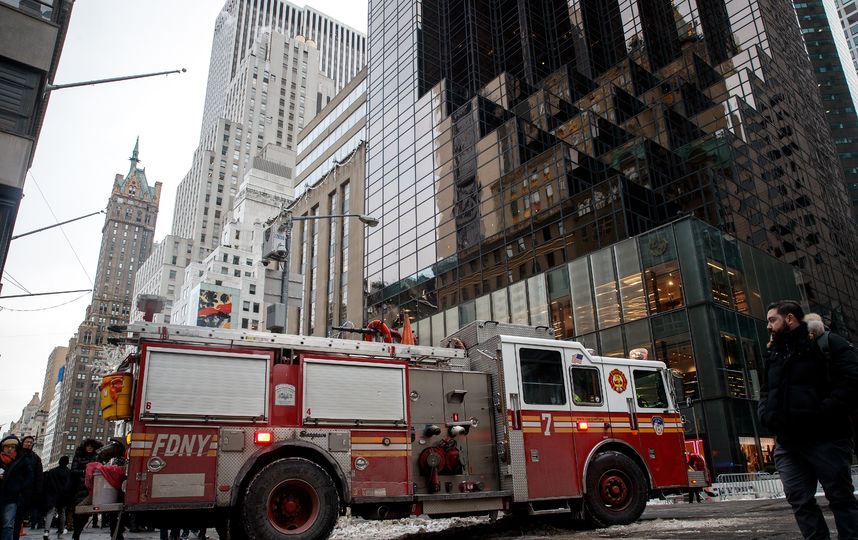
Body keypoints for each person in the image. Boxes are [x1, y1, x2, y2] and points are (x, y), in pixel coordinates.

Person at [759, 300, 858, 539]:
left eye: (773, 320)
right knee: (799, 500)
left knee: (840, 498)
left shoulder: (829, 343)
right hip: (788, 443)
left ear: (790, 318)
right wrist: (766, 415)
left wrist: (820, 413)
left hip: (826, 437)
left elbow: (851, 383)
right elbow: (766, 390)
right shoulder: (774, 352)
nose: (769, 326)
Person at [1, 436, 37, 540]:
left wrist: (18, 488)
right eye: (7, 446)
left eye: (12, 447)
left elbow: (29, 477)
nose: (10, 449)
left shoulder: (22, 460)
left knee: (8, 524)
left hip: (12, 497)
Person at [69, 440, 101, 540]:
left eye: (92, 446)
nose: (90, 448)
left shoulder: (96, 457)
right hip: (79, 488)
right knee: (78, 512)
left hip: (91, 488)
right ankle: (76, 532)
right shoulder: (79, 456)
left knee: (86, 514)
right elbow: (73, 470)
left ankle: (77, 532)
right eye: (88, 446)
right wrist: (84, 472)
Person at [15, 436, 43, 538]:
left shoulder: (35, 458)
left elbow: (39, 477)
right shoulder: (16, 454)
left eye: (31, 442)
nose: (29, 444)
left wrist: (37, 492)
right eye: (27, 442)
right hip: (14, 490)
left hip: (27, 492)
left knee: (19, 517)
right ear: (22, 443)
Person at [42, 456, 72, 538]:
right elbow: (69, 485)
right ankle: (60, 532)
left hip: (52, 495)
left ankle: (46, 531)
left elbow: (47, 483)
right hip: (63, 496)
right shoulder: (68, 472)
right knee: (62, 513)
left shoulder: (52, 471)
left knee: (50, 512)